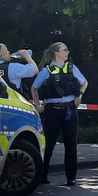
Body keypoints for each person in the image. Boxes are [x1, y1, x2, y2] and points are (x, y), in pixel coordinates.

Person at [31, 42, 87, 186]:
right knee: (49, 144)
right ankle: (42, 176)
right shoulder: (47, 70)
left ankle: (71, 177)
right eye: (64, 50)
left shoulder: (71, 68)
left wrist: (79, 95)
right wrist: (37, 105)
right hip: (52, 111)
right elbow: (34, 87)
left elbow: (84, 82)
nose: (67, 52)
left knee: (71, 144)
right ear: (56, 53)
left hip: (69, 110)